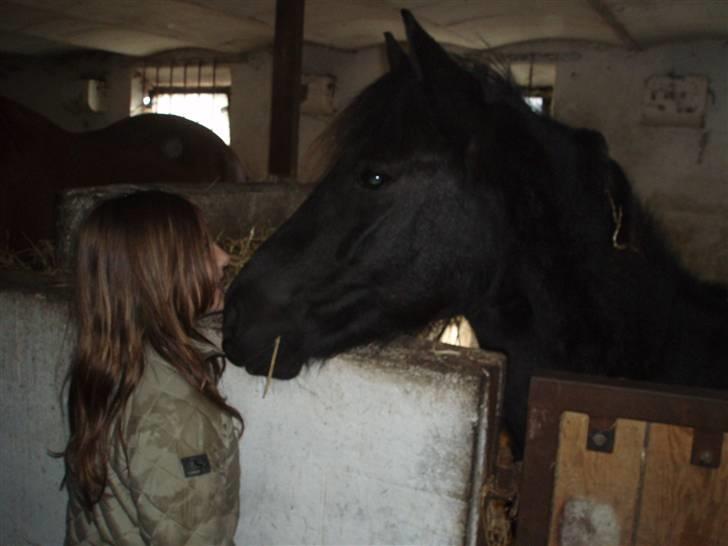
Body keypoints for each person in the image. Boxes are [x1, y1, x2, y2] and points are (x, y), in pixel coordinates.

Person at [62, 190, 243, 545]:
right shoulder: (174, 412)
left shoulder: (112, 367)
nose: (225, 257)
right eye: (204, 246)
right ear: (158, 272)